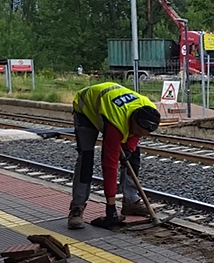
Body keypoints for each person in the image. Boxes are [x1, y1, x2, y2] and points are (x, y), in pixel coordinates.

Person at [68, 82, 161, 229]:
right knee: (86, 158)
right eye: (137, 132)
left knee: (133, 155)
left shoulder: (148, 110)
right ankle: (77, 209)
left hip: (113, 104)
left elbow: (136, 135)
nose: (139, 135)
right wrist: (110, 208)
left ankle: (130, 202)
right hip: (86, 108)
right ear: (133, 122)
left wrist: (129, 149)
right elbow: (109, 166)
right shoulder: (115, 125)